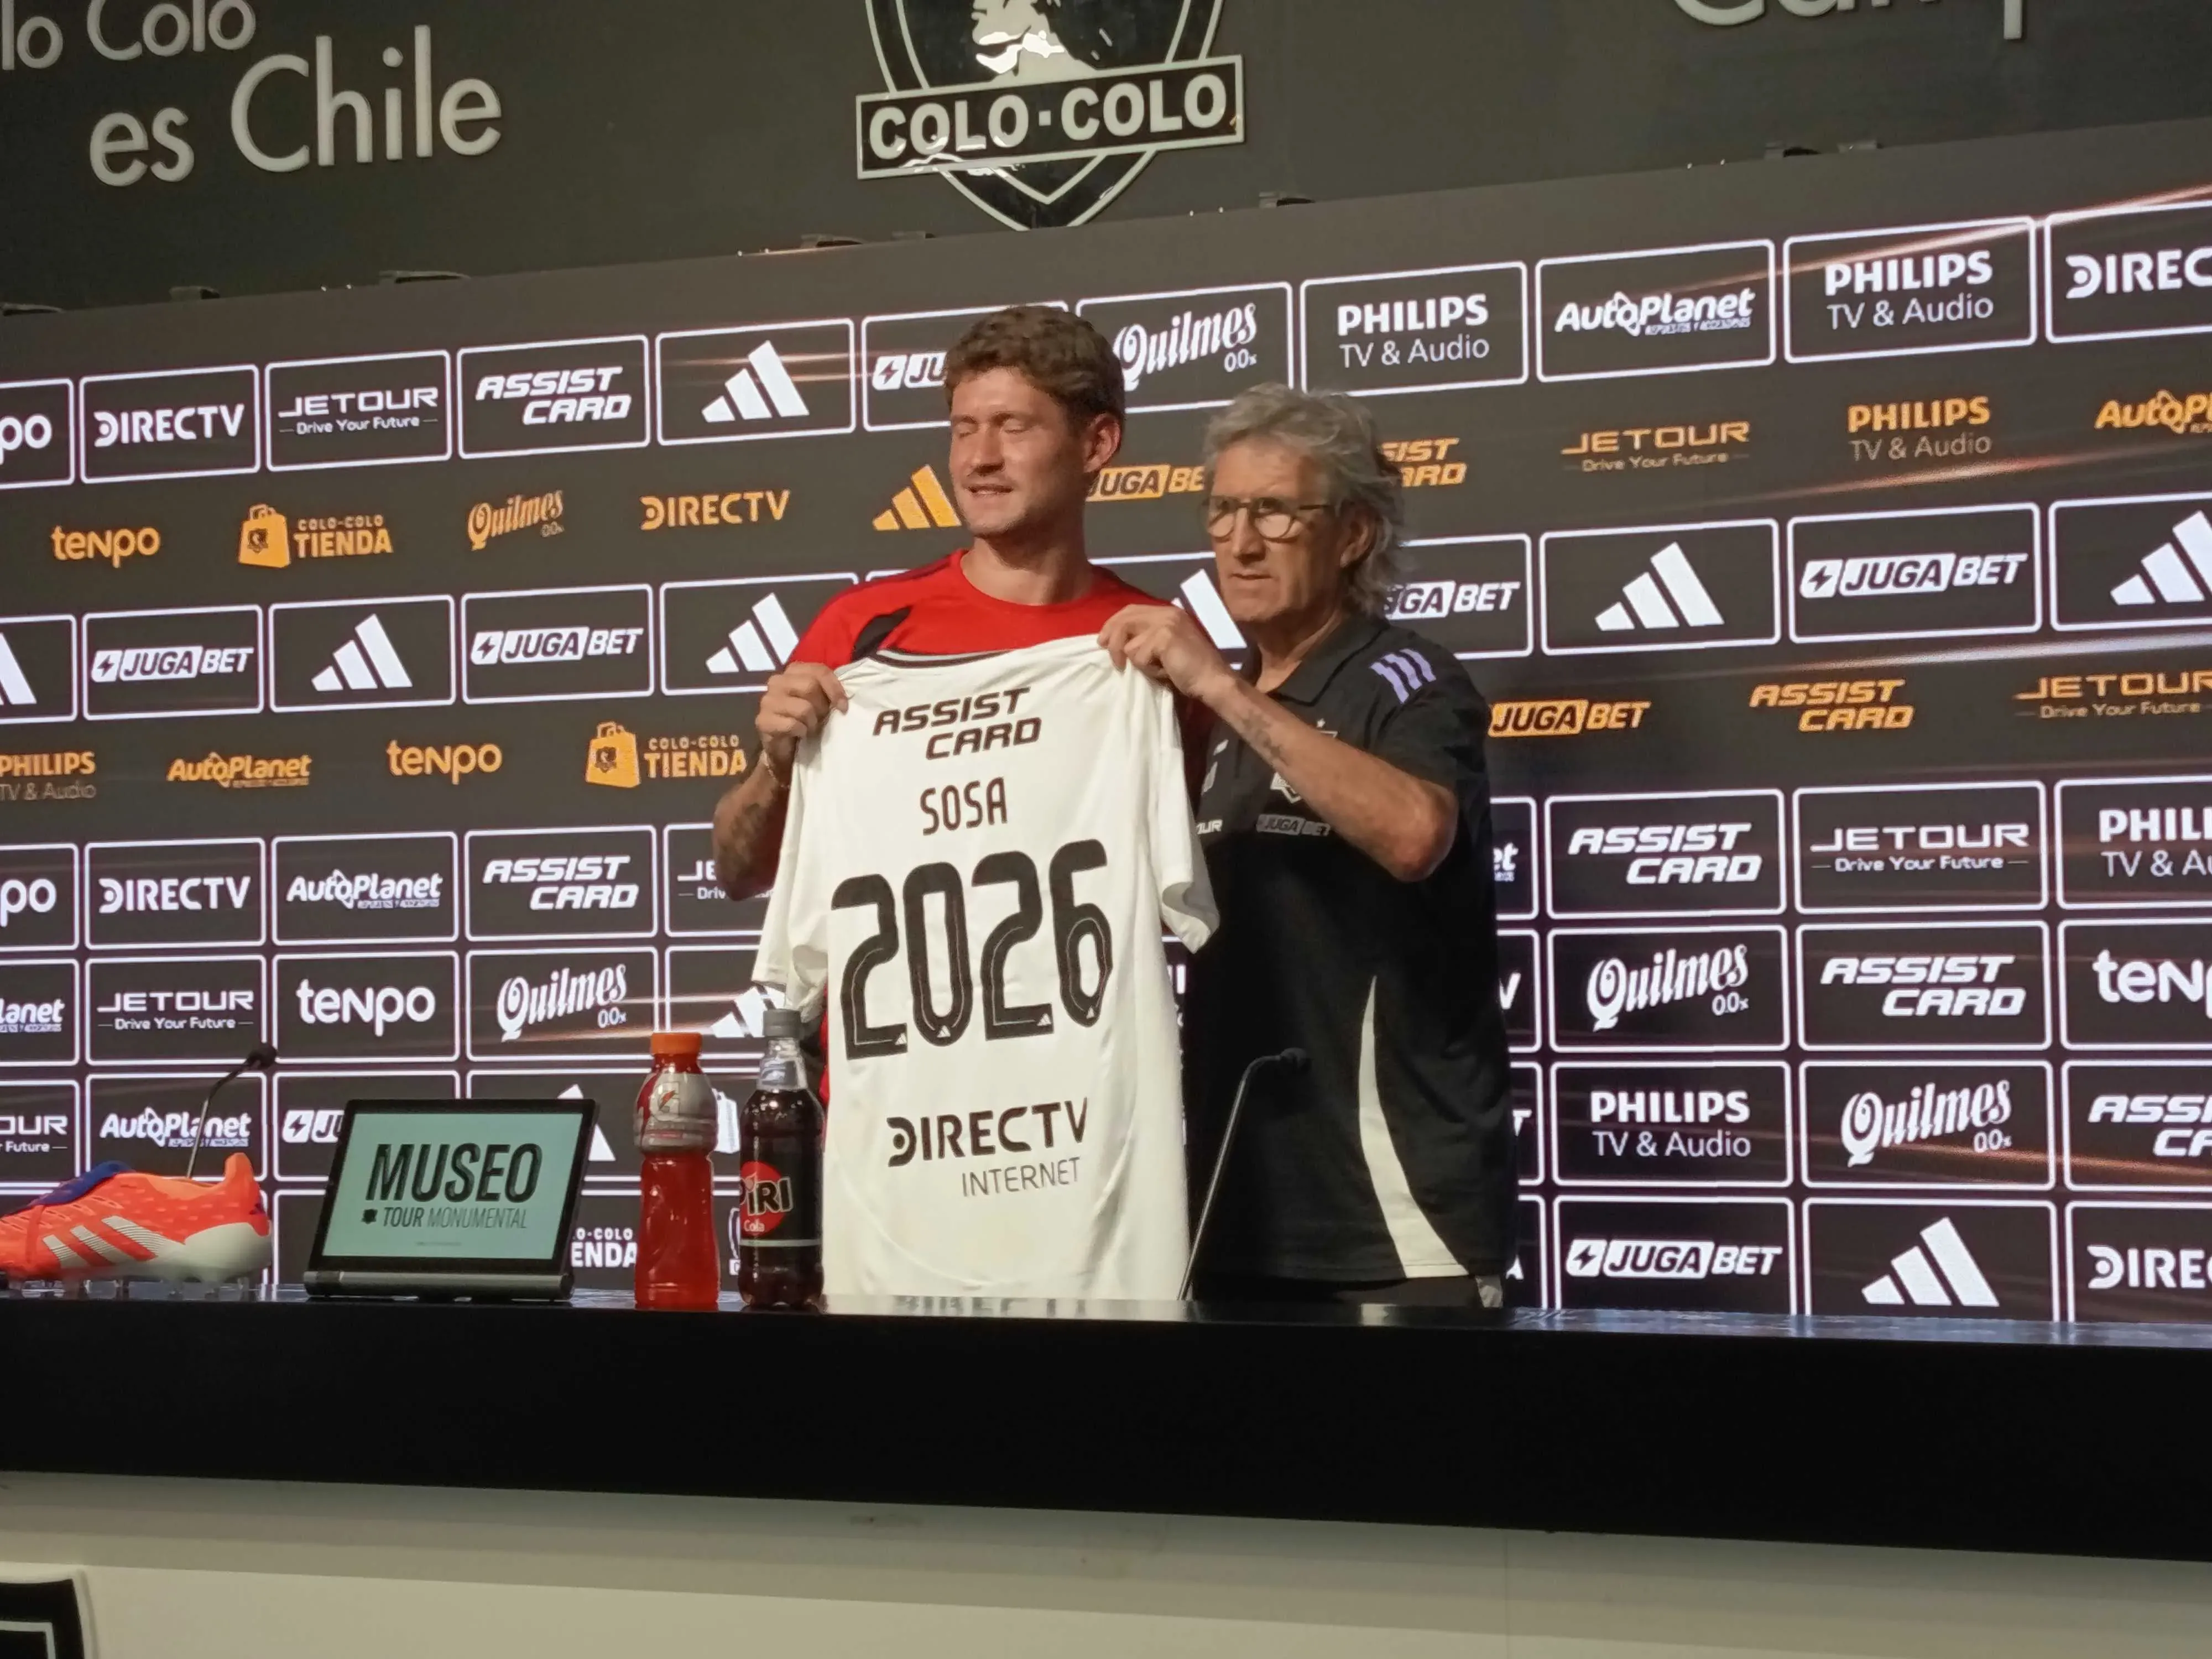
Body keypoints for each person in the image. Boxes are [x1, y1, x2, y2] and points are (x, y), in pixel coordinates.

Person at [1099, 383, 1515, 1308]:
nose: (1241, 544)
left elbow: (1415, 835)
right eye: (1224, 511)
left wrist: (1224, 691)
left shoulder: (1405, 678)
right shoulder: (1201, 713)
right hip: (1225, 1209)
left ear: (1354, 534)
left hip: (1388, 1218)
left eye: (1277, 513)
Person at [712, 305, 1172, 900]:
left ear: (1096, 444)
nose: (979, 457)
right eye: (963, 429)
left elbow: (1198, 891)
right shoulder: (861, 628)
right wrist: (775, 767)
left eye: (1012, 427)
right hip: (873, 998)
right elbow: (738, 872)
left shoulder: (1153, 650)